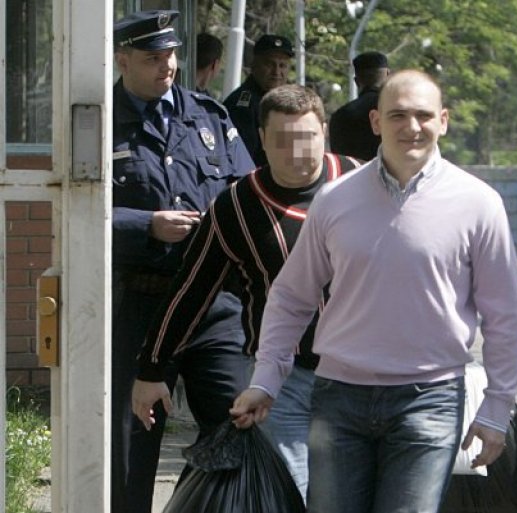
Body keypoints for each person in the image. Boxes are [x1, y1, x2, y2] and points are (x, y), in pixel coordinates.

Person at [231, 69, 517, 512]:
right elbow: (291, 297)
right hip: (340, 397)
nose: (412, 127)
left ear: (444, 121)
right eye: (398, 115)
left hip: (430, 400)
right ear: (375, 122)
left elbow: (505, 315)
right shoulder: (335, 199)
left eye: (423, 115)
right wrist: (266, 380)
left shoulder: (478, 203)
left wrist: (497, 408)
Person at [131, 84, 360, 499]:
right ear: (261, 139)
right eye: (282, 140)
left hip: (364, 377)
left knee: (353, 495)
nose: (296, 152)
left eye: (307, 137)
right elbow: (192, 289)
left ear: (324, 132)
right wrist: (152, 368)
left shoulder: (361, 183)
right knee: (291, 496)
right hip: (284, 380)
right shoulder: (237, 206)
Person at [112, 10, 254, 513]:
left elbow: (245, 192)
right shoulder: (100, 120)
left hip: (213, 303)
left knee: (238, 422)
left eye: (171, 55)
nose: (166, 66)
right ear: (122, 60)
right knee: (130, 444)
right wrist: (145, 224)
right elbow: (78, 213)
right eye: (153, 58)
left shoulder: (208, 115)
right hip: (141, 303)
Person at [223, 34, 294, 167]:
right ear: (254, 64)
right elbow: (242, 160)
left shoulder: (285, 101)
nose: (276, 71)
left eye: (282, 65)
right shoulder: (243, 105)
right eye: (270, 64)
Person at [328, 50, 389, 161]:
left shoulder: (339, 117)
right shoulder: (396, 112)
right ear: (388, 75)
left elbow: (338, 159)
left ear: (356, 81)